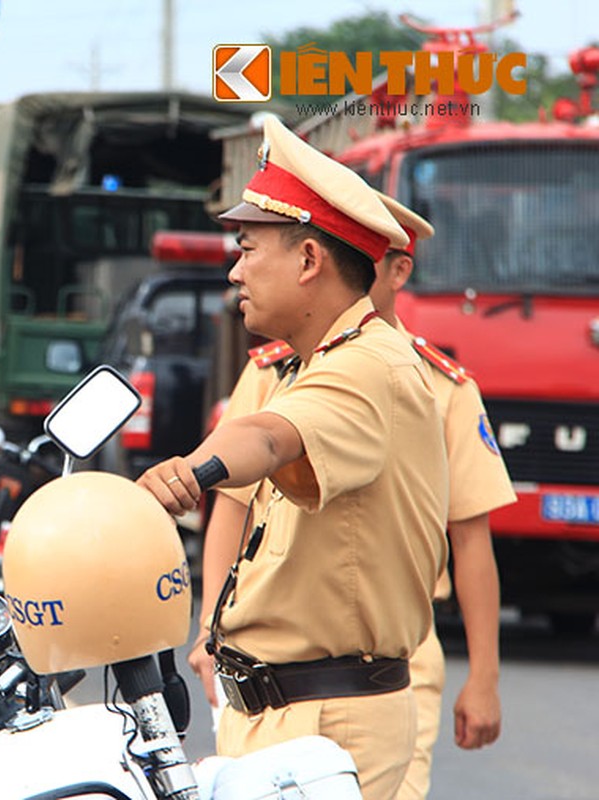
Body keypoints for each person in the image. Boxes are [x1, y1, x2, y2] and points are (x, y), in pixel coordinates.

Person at [136, 115, 448, 800]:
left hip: (322, 722)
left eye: (248, 248)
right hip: (280, 710)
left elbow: (269, 437)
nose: (233, 267)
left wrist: (191, 471)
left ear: (308, 260)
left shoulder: (368, 365)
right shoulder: (321, 363)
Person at [191, 194, 514, 800]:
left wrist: (486, 677)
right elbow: (234, 507)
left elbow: (469, 538)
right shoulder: (276, 369)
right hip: (267, 677)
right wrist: (211, 629)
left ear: (396, 270)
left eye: (379, 258)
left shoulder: (427, 382)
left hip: (373, 667)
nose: (237, 271)